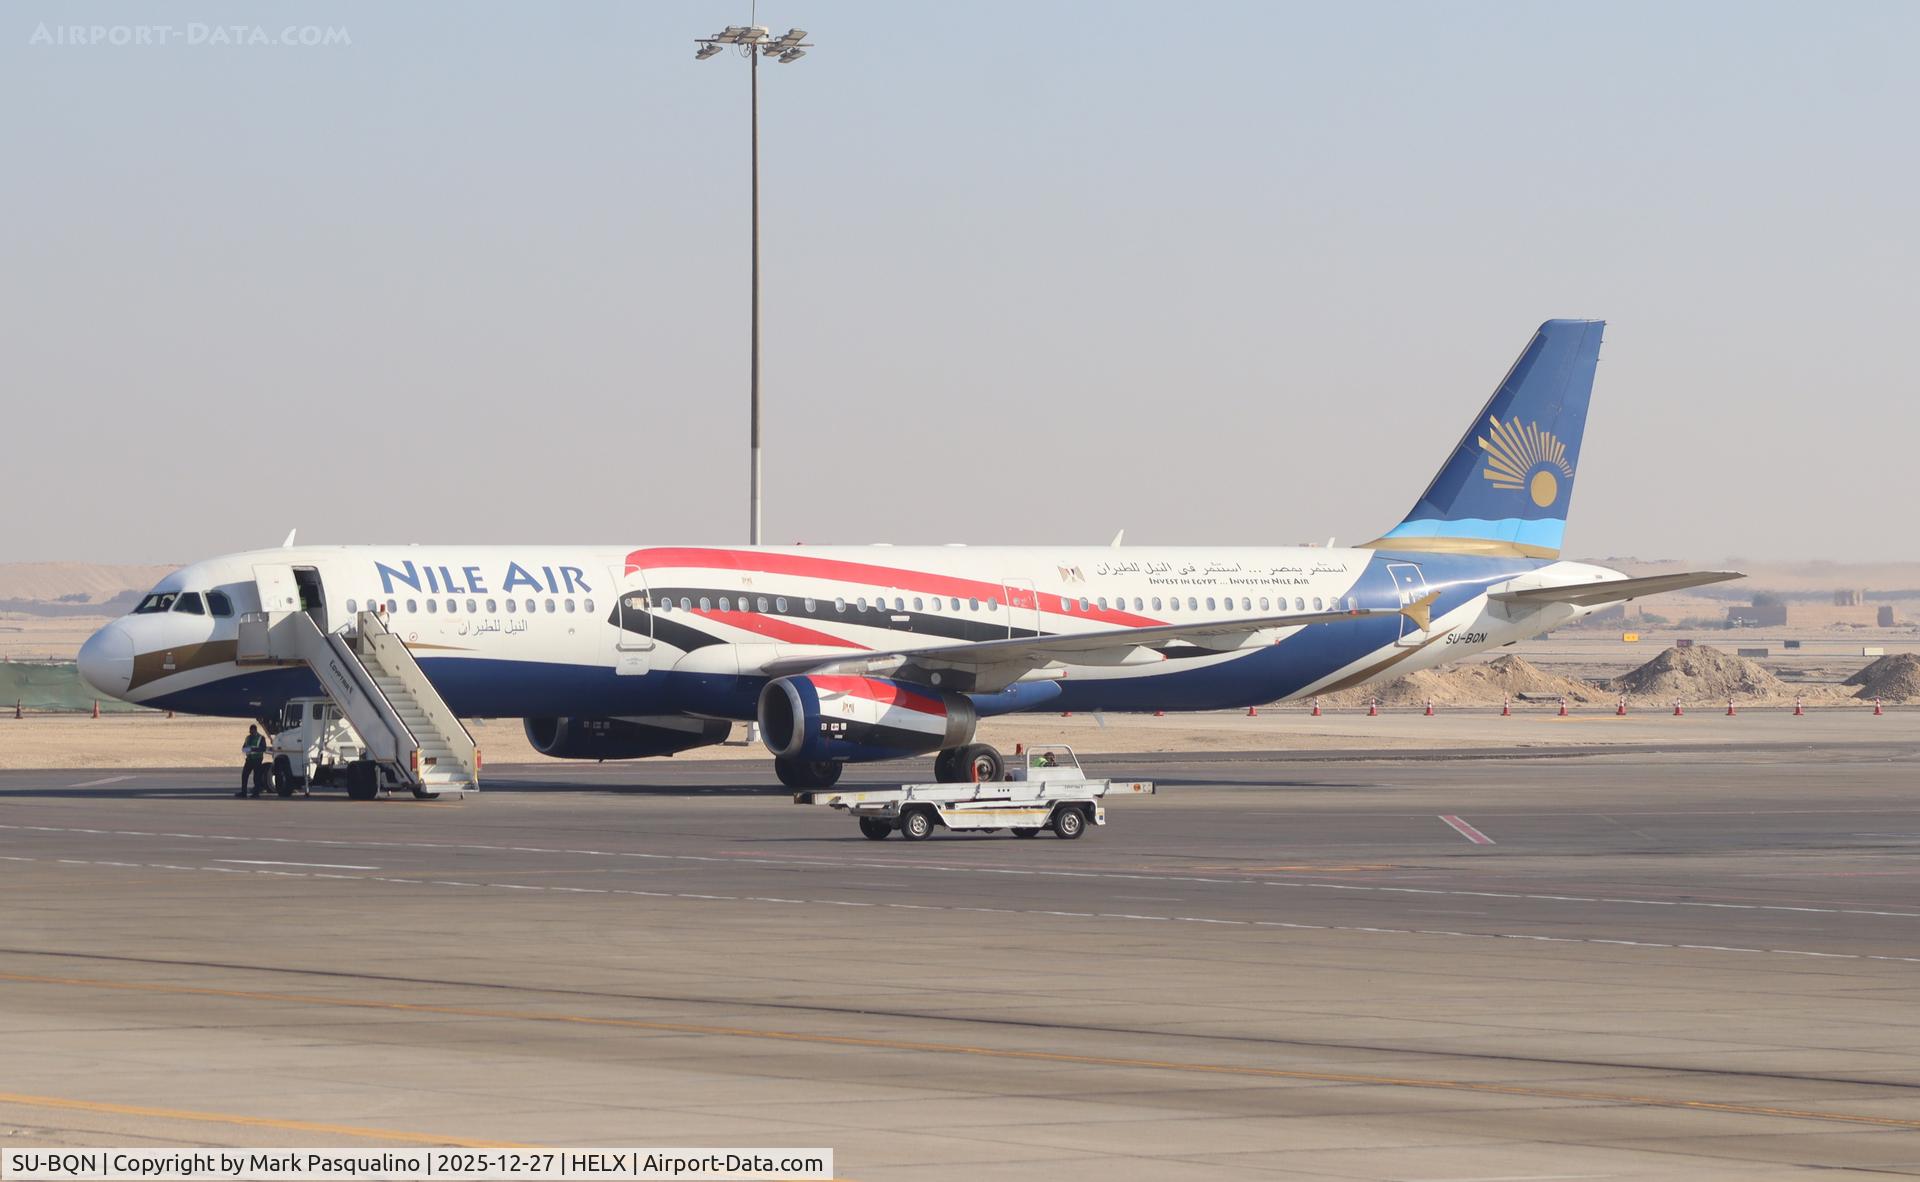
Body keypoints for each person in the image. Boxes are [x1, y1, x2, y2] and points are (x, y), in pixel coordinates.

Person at [237, 724, 268, 797]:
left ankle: (256, 793)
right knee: (244, 776)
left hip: (257, 759)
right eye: (250, 731)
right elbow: (244, 747)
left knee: (256, 777)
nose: (251, 733)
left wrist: (253, 749)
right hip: (249, 760)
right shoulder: (248, 738)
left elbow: (263, 748)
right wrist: (245, 750)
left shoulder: (261, 738)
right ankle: (243, 792)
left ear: (255, 730)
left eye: (252, 731)